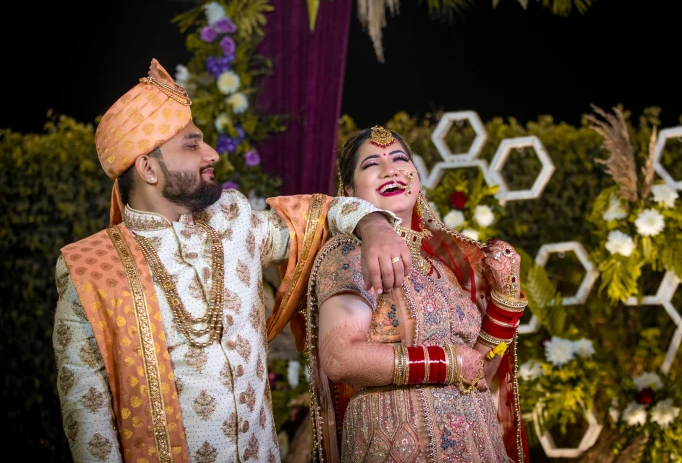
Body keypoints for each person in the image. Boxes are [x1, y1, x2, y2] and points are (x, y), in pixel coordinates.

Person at [52, 60, 411, 463]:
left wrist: (374, 225)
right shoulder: (90, 271)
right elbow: (90, 427)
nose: (211, 154)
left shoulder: (234, 220)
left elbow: (318, 213)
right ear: (148, 168)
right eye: (191, 145)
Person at [272, 126, 531, 462]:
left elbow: (478, 372)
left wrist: (505, 299)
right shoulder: (351, 252)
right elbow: (340, 357)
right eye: (371, 165)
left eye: (399, 159)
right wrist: (448, 363)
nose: (390, 169)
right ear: (349, 191)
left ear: (416, 179)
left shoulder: (441, 271)